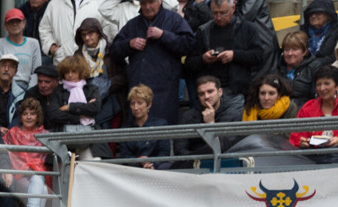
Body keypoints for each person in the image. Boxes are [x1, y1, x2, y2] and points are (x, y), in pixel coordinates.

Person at [110, 0, 195, 128]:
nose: (147, 7)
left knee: (163, 131)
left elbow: (189, 44)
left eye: (151, 2)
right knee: (138, 134)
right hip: (138, 90)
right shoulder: (133, 24)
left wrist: (163, 35)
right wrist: (129, 44)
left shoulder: (174, 20)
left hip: (165, 91)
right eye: (143, 3)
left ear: (160, 1)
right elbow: (114, 51)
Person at [184, 0, 265, 98]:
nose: (218, 17)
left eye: (223, 13)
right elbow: (189, 63)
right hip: (208, 92)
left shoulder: (247, 28)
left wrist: (234, 55)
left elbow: (259, 56)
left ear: (233, 8)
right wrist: (203, 59)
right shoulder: (203, 31)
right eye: (214, 13)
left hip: (237, 91)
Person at [289, 64, 338, 163]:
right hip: (313, 157)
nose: (322, 88)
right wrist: (302, 141)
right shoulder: (308, 107)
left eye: (326, 83)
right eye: (318, 84)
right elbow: (295, 136)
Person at [2, 97, 52, 207]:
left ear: (38, 116)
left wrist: (34, 170)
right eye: (25, 114)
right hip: (18, 176)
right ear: (20, 116)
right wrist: (25, 168)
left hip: (38, 177)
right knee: (41, 186)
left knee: (42, 187)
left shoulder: (45, 135)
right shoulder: (13, 133)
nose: (29, 117)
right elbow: (5, 155)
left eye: (32, 113)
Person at [117, 83, 171, 168]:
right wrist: (140, 162)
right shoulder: (125, 128)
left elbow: (164, 153)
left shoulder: (160, 124)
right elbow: (125, 155)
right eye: (132, 104)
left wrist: (151, 163)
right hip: (134, 169)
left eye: (140, 103)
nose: (135, 107)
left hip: (157, 168)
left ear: (149, 105)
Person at [0, 7, 41, 94]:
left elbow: (37, 71)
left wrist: (29, 91)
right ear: (5, 26)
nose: (15, 24)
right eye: (11, 22)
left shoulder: (34, 43)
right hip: (6, 86)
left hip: (29, 88)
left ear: (24, 23)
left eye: (18, 21)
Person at [39, 0, 100, 65]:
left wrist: (97, 48)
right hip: (62, 60)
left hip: (91, 60)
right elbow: (44, 28)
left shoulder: (97, 2)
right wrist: (51, 46)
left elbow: (106, 29)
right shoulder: (54, 4)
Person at [275, 30, 319, 104]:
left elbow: (316, 98)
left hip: (304, 111)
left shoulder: (314, 67)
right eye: (286, 49)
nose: (290, 53)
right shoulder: (276, 66)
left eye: (295, 49)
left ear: (304, 51)